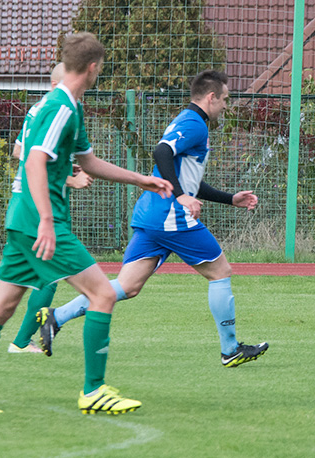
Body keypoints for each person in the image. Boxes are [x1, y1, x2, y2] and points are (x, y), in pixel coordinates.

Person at [0, 32, 172, 413]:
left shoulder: (67, 107)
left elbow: (88, 163)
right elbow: (34, 160)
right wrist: (48, 221)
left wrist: (141, 179)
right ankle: (93, 390)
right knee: (102, 294)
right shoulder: (61, 107)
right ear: (93, 67)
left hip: (22, 220)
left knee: (1, 305)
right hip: (39, 222)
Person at [37, 70, 269, 368]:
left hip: (152, 215)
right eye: (224, 99)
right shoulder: (194, 123)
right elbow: (162, 152)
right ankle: (230, 349)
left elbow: (186, 179)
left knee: (127, 286)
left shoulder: (191, 122)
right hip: (169, 215)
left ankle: (56, 317)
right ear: (211, 97)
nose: (226, 105)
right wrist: (181, 198)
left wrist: (229, 198)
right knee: (220, 271)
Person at [0, 63, 93, 354]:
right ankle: (21, 342)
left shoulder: (36, 110)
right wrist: (69, 178)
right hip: (37, 206)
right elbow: (32, 161)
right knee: (58, 280)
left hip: (21, 204)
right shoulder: (57, 109)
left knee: (17, 279)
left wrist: (63, 165)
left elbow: (20, 151)